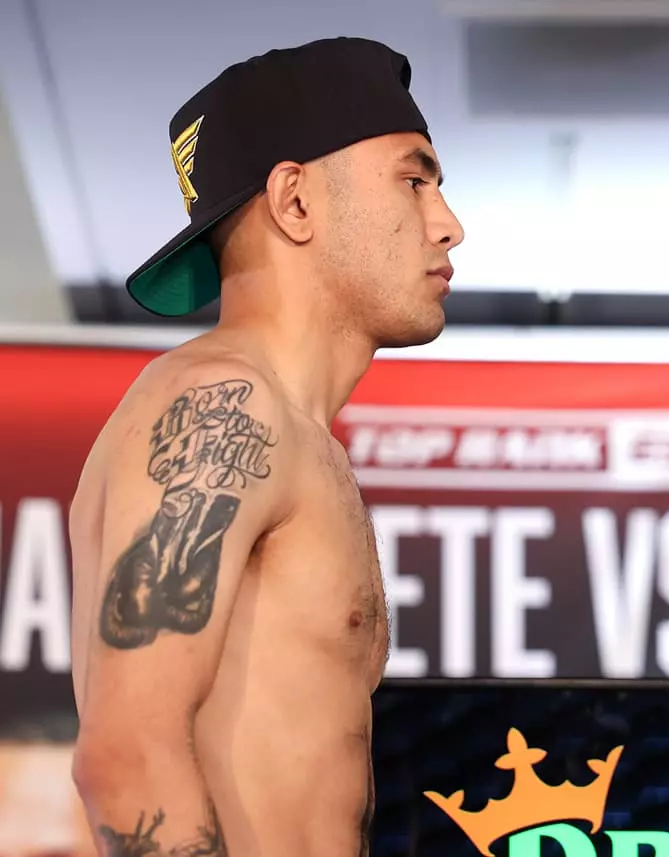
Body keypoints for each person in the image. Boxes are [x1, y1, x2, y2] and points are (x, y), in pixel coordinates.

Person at [68, 37, 464, 857]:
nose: (448, 224)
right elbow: (125, 757)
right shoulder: (220, 408)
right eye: (414, 179)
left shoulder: (294, 435)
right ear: (295, 202)